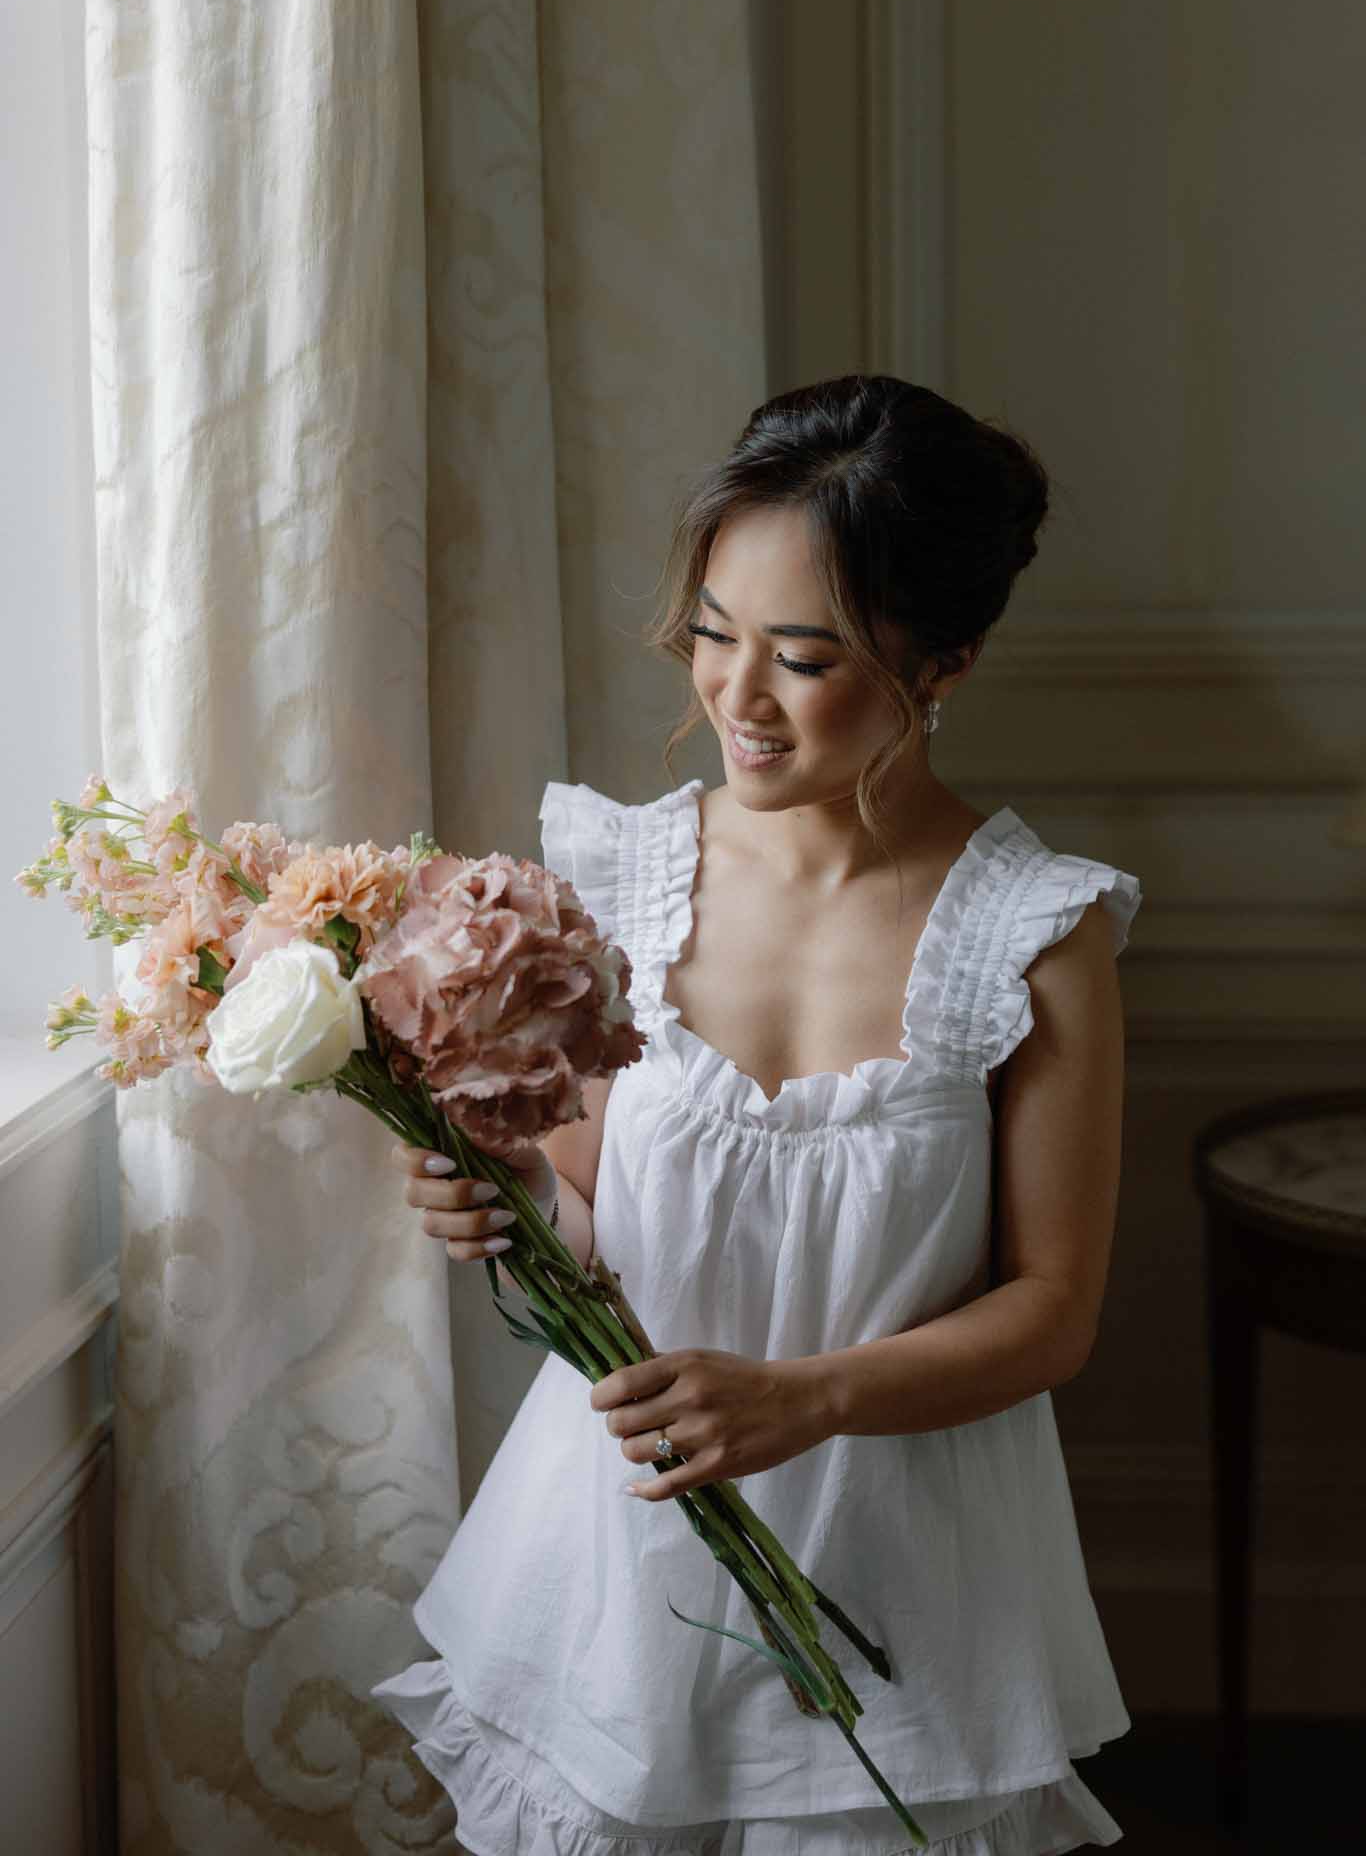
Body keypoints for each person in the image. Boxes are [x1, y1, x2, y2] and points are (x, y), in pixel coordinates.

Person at [373, 374, 1143, 1854]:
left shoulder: (1037, 929)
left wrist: (808, 1398)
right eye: (713, 636)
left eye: (803, 656)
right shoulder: (613, 875)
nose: (734, 695)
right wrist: (502, 1206)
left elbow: (1052, 1312)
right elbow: (603, 1221)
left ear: (947, 661)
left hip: (905, 1574)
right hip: (621, 1562)